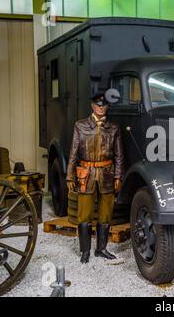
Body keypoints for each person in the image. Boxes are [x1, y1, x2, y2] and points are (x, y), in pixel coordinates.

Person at [66, 93, 125, 263]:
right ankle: (85, 251)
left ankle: (101, 249)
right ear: (92, 105)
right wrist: (70, 176)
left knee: (105, 215)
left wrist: (118, 176)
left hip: (107, 175)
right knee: (84, 215)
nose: (100, 107)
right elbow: (73, 153)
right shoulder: (80, 126)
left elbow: (119, 156)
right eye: (97, 104)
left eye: (104, 104)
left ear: (108, 106)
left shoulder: (113, 128)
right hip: (87, 175)